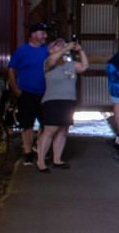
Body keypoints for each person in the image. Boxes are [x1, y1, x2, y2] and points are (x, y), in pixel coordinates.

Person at [36, 38, 88, 172]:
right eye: (56, 45)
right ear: (50, 50)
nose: (60, 46)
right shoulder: (48, 63)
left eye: (62, 45)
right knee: (50, 131)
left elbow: (84, 66)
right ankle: (40, 161)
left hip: (68, 101)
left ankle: (57, 159)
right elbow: (53, 60)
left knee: (63, 130)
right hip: (53, 101)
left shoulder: (70, 65)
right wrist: (66, 48)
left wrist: (80, 50)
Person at [7, 22, 49, 165]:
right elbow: (11, 69)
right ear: (33, 35)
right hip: (26, 93)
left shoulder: (48, 50)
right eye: (42, 33)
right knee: (27, 124)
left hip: (45, 93)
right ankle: (28, 153)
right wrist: (16, 89)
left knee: (46, 123)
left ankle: (41, 147)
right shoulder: (22, 51)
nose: (45, 36)